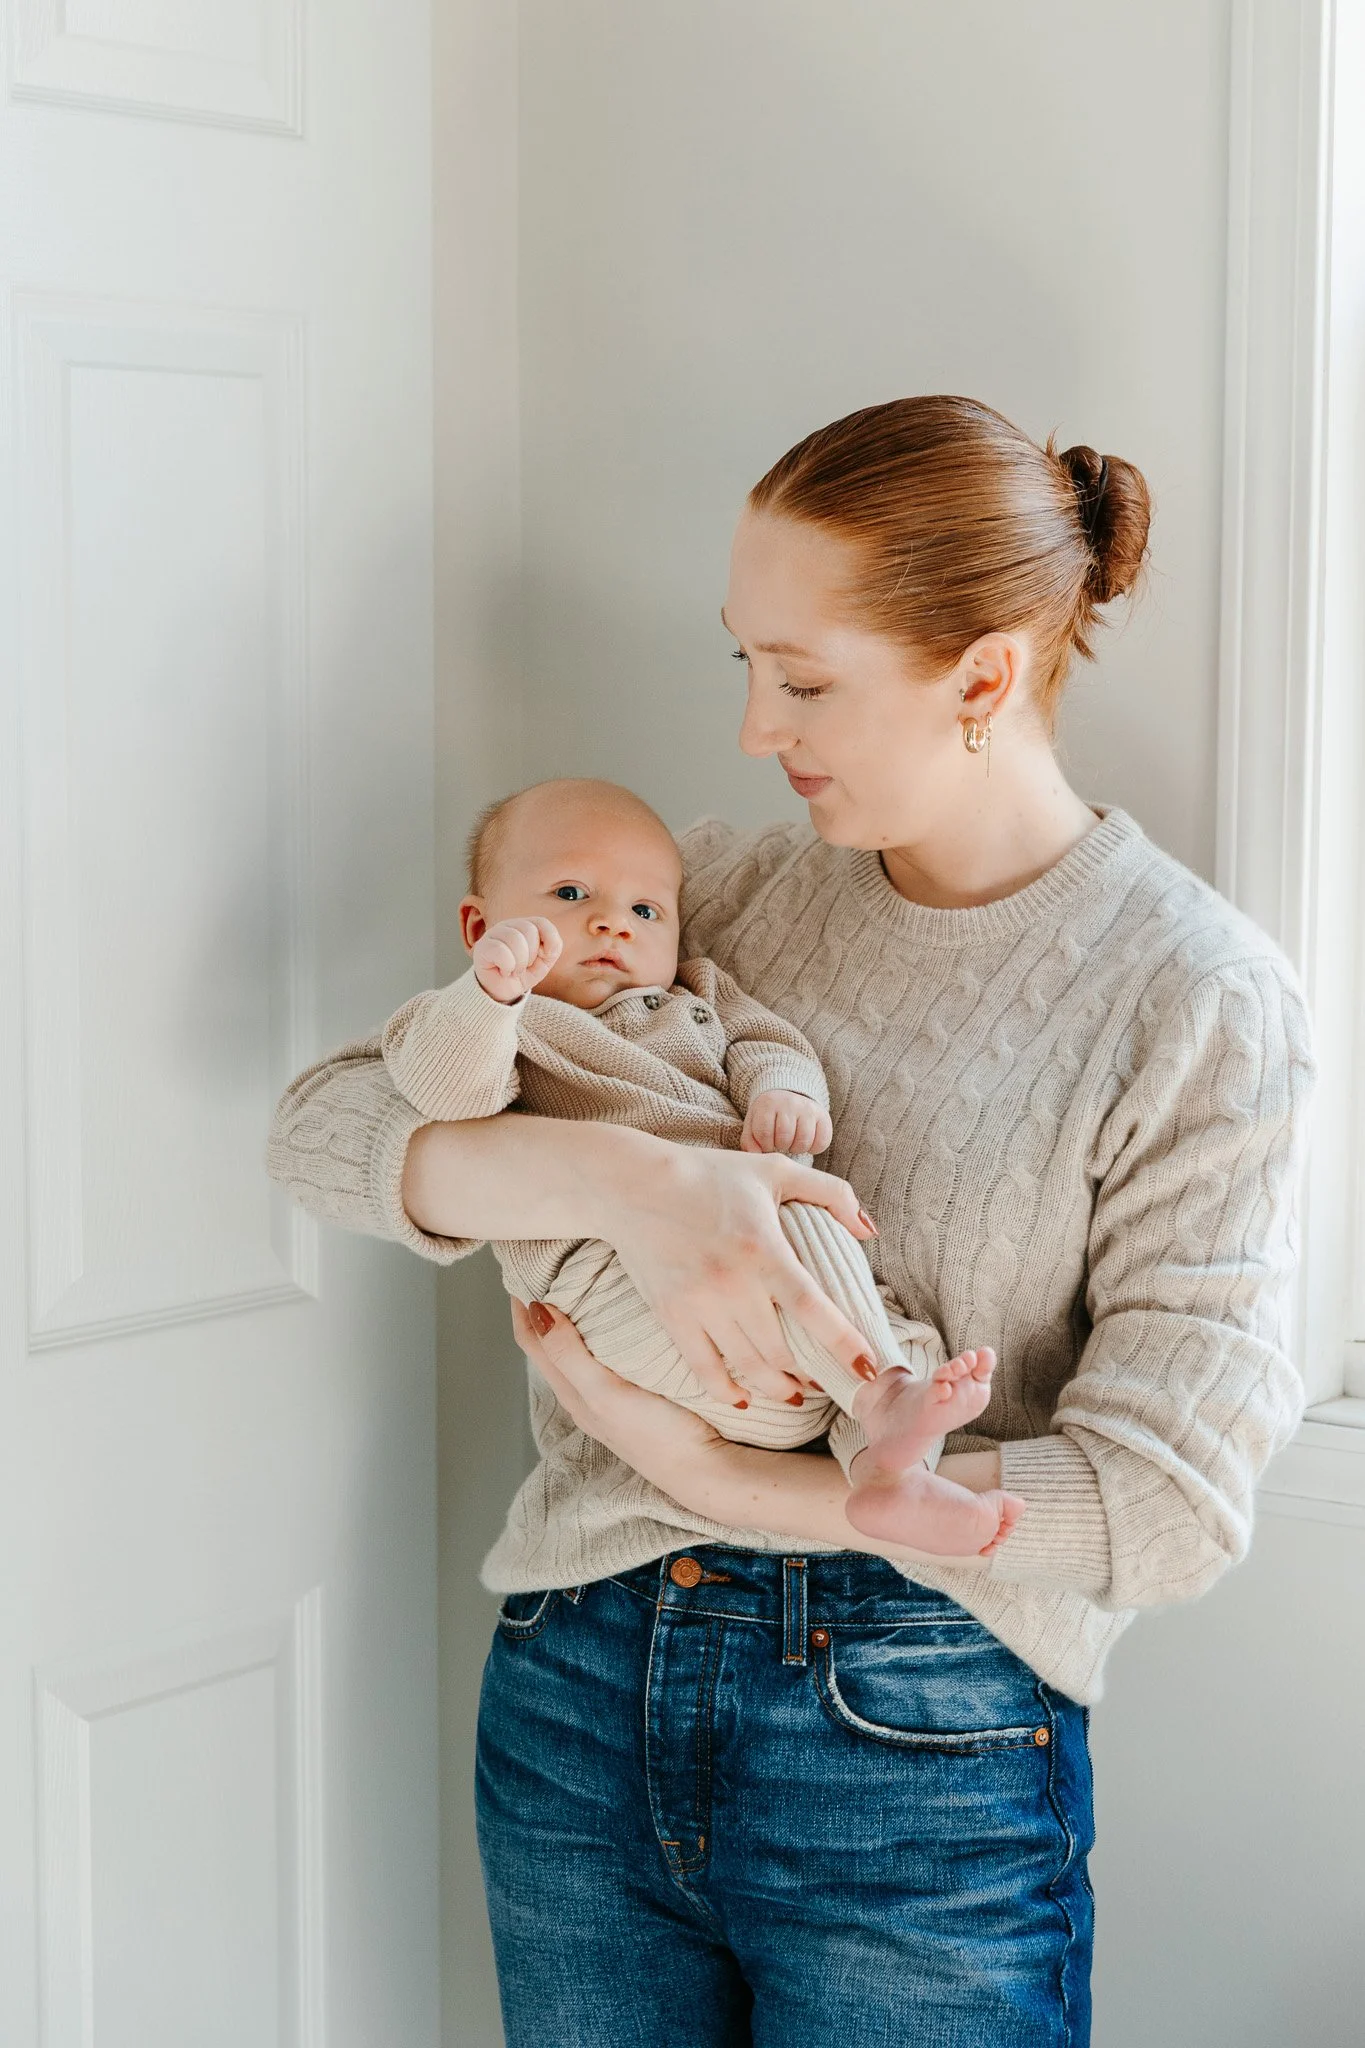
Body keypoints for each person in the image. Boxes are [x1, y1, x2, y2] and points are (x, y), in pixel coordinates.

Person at [267, 396, 1314, 2047]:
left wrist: (739, 1485)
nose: (759, 728)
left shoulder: (1193, 997)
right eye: (744, 662)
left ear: (982, 675)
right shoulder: (724, 891)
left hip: (913, 1736)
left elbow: (1169, 1499)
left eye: (806, 677)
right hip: (580, 1678)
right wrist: (639, 1184)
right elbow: (328, 1131)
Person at [379, 770, 1023, 1553]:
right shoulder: (499, 1022)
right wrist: (488, 994)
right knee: (791, 1215)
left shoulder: (698, 995)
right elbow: (441, 1091)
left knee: (897, 1333)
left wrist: (783, 1092)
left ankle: (886, 1470)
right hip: (619, 1293)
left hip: (797, 1333)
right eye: (571, 895)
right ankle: (878, 1401)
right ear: (480, 922)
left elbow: (767, 1044)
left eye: (644, 910)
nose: (613, 924)